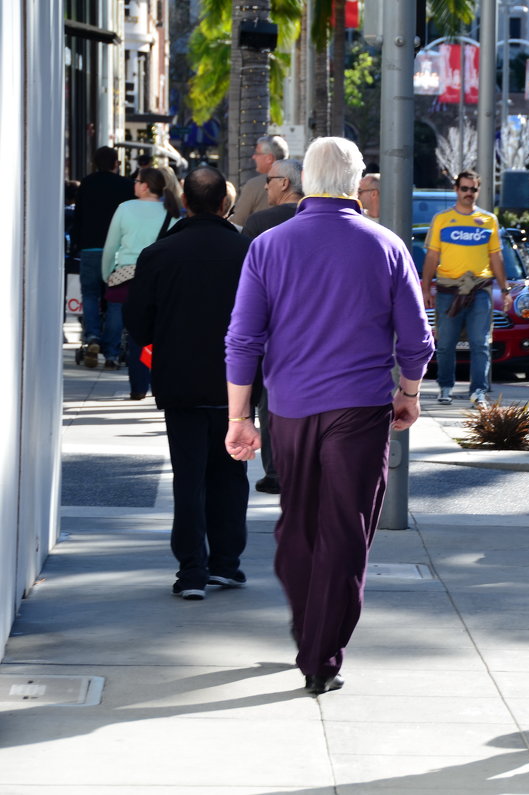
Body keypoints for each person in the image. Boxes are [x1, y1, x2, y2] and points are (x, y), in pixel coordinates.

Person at [224, 136, 434, 696]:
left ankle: (308, 629)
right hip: (360, 409)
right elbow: (416, 338)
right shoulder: (386, 245)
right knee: (344, 530)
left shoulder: (269, 245)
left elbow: (243, 338)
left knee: (298, 524)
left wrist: (238, 418)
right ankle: (321, 652)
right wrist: (409, 392)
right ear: (356, 180)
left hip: (288, 410)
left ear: (304, 179)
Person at [124, 167, 253, 601]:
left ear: (185, 202)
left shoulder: (158, 254)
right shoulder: (247, 252)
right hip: (235, 384)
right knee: (231, 475)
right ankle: (227, 564)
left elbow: (137, 324)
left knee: (189, 476)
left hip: (179, 382)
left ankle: (192, 570)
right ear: (224, 204)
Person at [420, 169, 512, 407]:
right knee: (446, 343)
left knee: (481, 343)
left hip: (480, 291)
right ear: (456, 189)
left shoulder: (489, 220)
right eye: (464, 189)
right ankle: (445, 387)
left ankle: (478, 392)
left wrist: (505, 290)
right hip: (448, 291)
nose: (469, 193)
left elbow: (496, 258)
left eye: (473, 189)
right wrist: (425, 288)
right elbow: (432, 256)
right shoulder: (442, 219)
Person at [240, 157, 304, 495]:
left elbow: (243, 283)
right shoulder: (322, 222)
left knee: (271, 403)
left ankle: (277, 472)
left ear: (285, 183)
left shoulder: (260, 223)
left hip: (272, 331)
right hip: (316, 330)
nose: (265, 186)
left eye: (269, 180)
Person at [101, 166, 180, 398]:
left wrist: (107, 275)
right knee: (156, 334)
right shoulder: (172, 212)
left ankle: (137, 386)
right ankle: (158, 383)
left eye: (136, 180)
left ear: (145, 186)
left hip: (125, 278)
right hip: (159, 279)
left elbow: (111, 246)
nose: (134, 184)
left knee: (132, 332)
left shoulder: (124, 208)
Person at [72, 146, 135, 368]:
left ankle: (92, 337)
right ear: (116, 163)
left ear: (94, 162)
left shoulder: (87, 183)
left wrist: (76, 246)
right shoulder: (126, 186)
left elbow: (78, 216)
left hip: (90, 248)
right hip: (117, 252)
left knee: (89, 295)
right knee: (116, 301)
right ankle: (111, 352)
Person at [229, 134, 288, 227]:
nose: (253, 157)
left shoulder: (255, 185)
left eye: (257, 153)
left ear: (269, 158)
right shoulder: (298, 181)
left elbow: (237, 222)